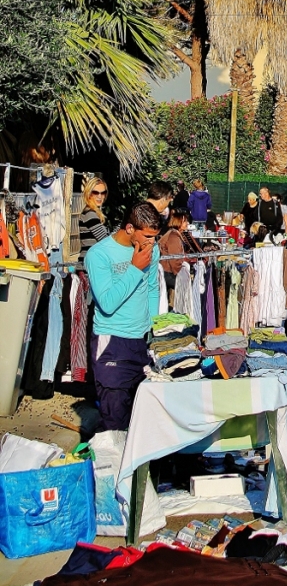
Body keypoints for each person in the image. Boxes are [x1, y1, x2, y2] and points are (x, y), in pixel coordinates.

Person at [85, 202, 162, 431]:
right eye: (148, 236)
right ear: (130, 228)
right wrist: (135, 268)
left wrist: (153, 328)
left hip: (142, 341)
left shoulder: (152, 251)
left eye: (155, 237)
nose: (152, 242)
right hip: (112, 343)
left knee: (145, 421)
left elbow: (151, 288)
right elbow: (107, 303)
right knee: (115, 421)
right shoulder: (99, 255)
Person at [158, 208, 201, 308]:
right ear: (178, 222)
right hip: (167, 273)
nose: (187, 223)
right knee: (191, 286)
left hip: (168, 271)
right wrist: (181, 274)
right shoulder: (174, 237)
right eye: (185, 221)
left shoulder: (175, 234)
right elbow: (175, 260)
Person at [78, 176, 109, 263]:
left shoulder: (94, 213)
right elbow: (105, 240)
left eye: (103, 193)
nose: (100, 196)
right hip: (89, 265)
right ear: (89, 193)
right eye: (95, 192)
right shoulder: (90, 214)